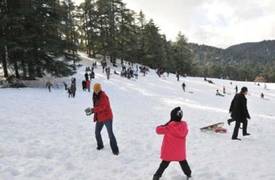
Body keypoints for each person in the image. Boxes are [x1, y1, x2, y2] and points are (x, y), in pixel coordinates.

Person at [153, 107, 192, 180]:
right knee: (183, 163)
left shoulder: (169, 127)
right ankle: (189, 175)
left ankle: (156, 176)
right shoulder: (184, 126)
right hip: (180, 153)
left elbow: (158, 130)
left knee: (164, 164)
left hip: (169, 153)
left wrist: (166, 124)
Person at [91, 83, 119, 155]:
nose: (96, 91)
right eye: (95, 90)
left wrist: (93, 110)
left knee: (110, 134)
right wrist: (92, 110)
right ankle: (100, 145)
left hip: (107, 117)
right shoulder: (95, 95)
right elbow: (97, 106)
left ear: (100, 89)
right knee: (97, 132)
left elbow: (103, 107)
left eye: (97, 90)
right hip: (100, 117)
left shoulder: (103, 96)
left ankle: (115, 150)